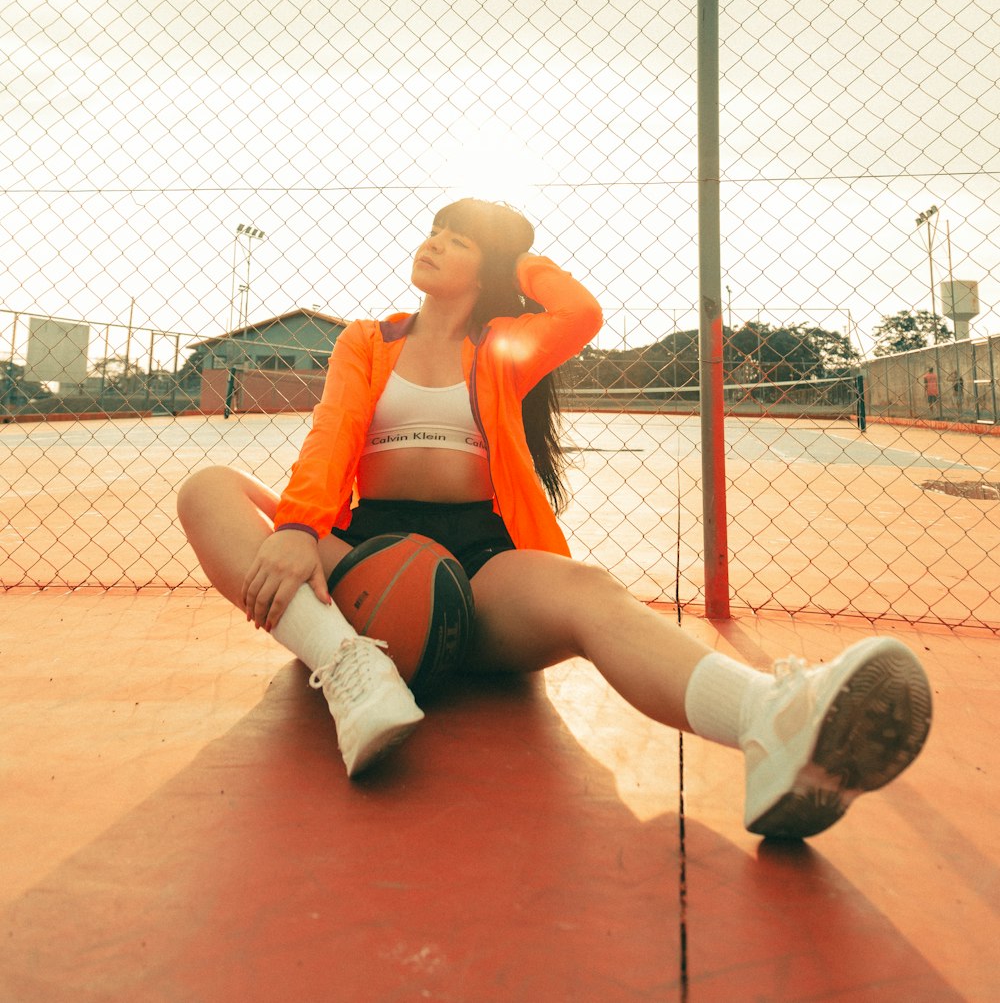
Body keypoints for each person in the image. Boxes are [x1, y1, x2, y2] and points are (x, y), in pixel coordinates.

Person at [177, 198, 932, 840]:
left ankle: (770, 721)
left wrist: (518, 257)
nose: (433, 241)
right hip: (363, 555)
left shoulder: (503, 347)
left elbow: (581, 312)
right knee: (209, 487)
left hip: (483, 565)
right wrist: (300, 528)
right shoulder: (366, 340)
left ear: (488, 267)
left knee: (589, 590)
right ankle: (345, 664)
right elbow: (332, 432)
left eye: (458, 238)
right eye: (433, 230)